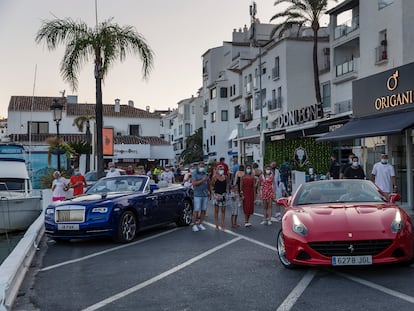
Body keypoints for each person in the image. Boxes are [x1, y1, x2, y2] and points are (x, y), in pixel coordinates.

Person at [191, 162, 210, 232]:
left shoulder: (205, 172)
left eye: (203, 166)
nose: (202, 167)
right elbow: (194, 183)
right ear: (198, 166)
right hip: (197, 194)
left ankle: (201, 223)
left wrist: (210, 192)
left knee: (203, 210)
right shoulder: (194, 173)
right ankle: (194, 224)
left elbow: (208, 183)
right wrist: (202, 180)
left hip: (205, 194)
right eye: (201, 166)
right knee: (196, 210)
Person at [210, 164, 229, 230]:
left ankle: (223, 223)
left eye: (222, 169)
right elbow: (211, 186)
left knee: (223, 210)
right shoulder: (214, 177)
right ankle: (216, 224)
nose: (221, 171)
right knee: (216, 210)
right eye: (220, 169)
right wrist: (213, 194)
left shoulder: (225, 177)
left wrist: (226, 191)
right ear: (217, 170)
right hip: (217, 195)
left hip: (223, 195)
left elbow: (226, 185)